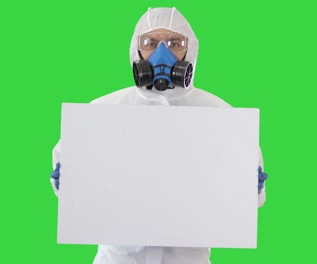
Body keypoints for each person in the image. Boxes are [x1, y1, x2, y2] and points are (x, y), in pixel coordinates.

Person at [50, 7, 269, 264]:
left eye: (174, 43)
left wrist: (249, 187)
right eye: (150, 42)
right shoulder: (102, 111)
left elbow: (249, 203)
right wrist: (66, 180)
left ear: (190, 50)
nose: (162, 53)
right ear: (136, 49)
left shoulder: (221, 116)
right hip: (117, 258)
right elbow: (71, 189)